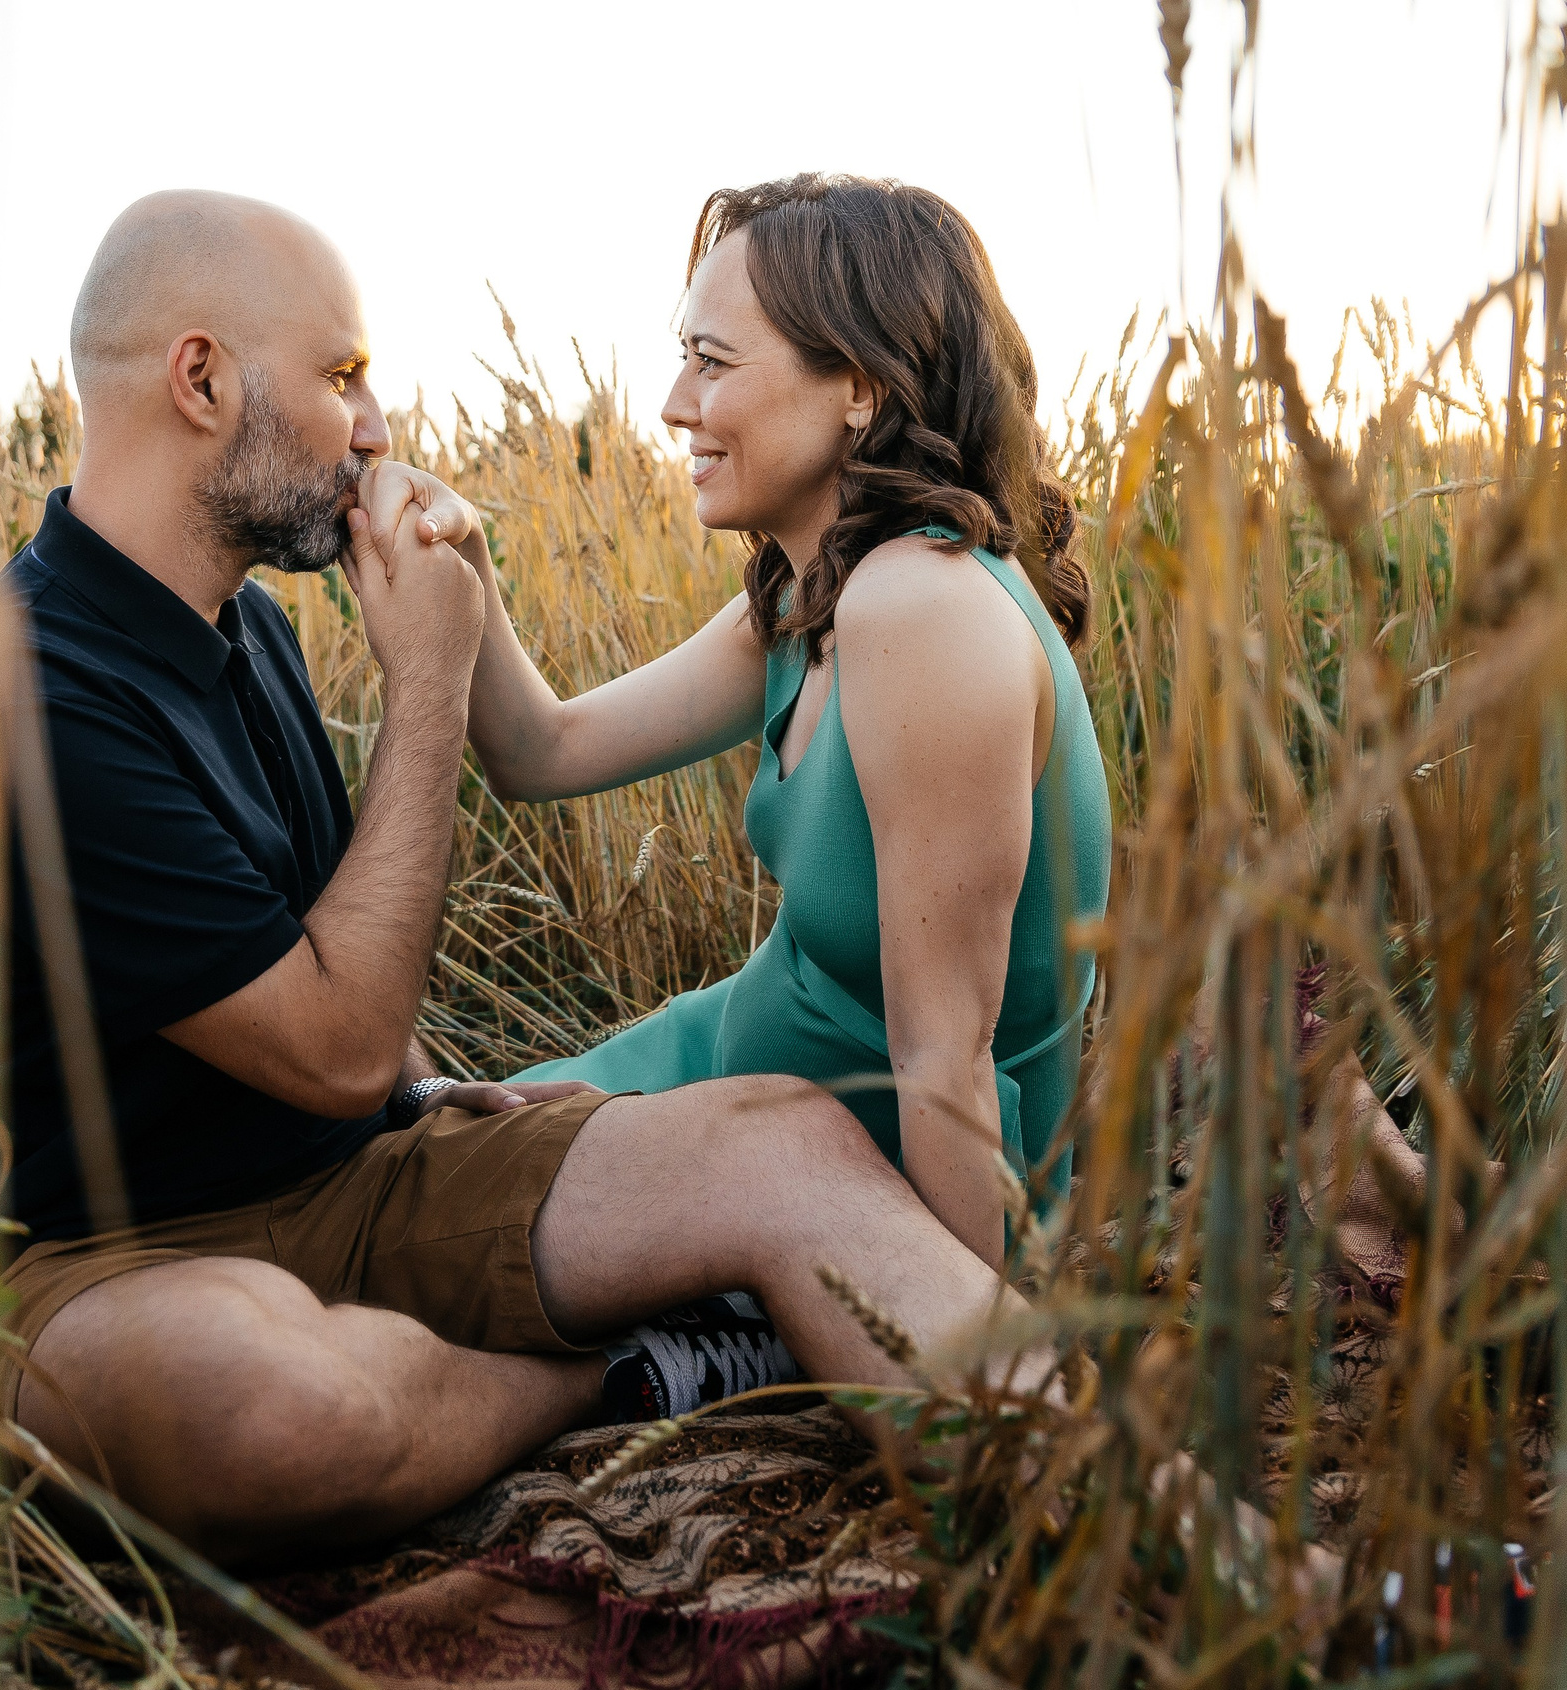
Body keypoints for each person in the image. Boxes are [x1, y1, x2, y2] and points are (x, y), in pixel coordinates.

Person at [0, 190, 1056, 1567]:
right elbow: (332, 1044)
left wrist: (436, 1095)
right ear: (200, 379)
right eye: (341, 376)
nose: (376, 425)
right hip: (89, 1258)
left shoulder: (245, 628)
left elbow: (320, 985)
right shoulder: (14, 696)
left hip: (347, 1185)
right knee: (279, 1404)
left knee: (785, 1142)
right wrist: (429, 674)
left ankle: (1138, 1528)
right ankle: (624, 1372)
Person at [402, 175, 1111, 1272]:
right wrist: (469, 561)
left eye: (714, 362)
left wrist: (969, 1368)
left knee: (417, 1243)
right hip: (713, 1072)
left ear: (861, 390)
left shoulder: (921, 611)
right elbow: (538, 752)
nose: (675, 401)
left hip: (825, 1174)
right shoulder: (810, 594)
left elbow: (948, 1066)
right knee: (392, 1185)